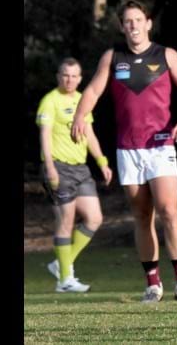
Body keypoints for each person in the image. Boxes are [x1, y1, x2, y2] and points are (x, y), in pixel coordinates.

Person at [72, 0, 177, 302]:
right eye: (127, 21)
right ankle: (153, 284)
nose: (133, 26)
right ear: (121, 26)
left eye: (138, 20)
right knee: (141, 215)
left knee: (169, 210)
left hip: (160, 145)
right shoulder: (113, 57)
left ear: (148, 23)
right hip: (128, 149)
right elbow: (92, 90)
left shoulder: (166, 55)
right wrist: (79, 115)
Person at [39, 58, 112, 293]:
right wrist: (49, 166)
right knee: (66, 222)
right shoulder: (50, 101)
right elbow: (45, 136)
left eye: (74, 76)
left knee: (94, 218)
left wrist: (102, 161)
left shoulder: (82, 99)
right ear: (58, 76)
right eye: (64, 75)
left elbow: (88, 133)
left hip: (81, 169)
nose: (69, 80)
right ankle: (65, 281)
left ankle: (61, 263)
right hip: (58, 167)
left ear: (80, 79)